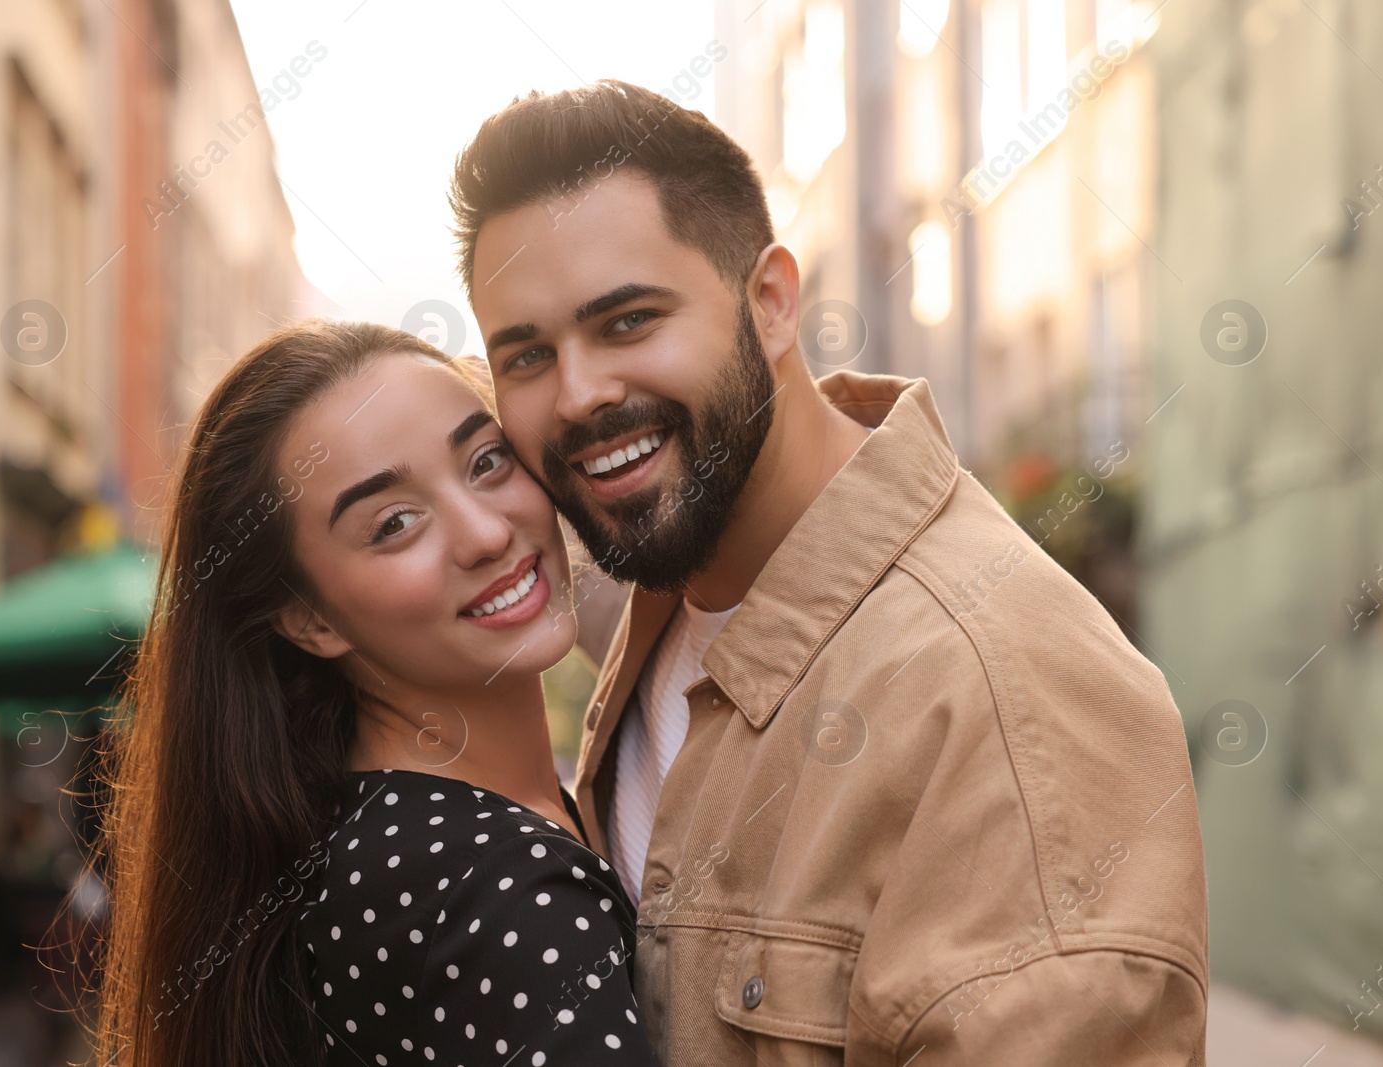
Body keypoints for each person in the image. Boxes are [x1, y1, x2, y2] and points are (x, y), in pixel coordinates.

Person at [452, 80, 1211, 1064]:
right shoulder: (670, 607)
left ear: (768, 302)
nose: (579, 393)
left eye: (628, 320)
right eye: (526, 356)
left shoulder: (1000, 683)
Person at [91, 321, 659, 1067]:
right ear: (309, 617)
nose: (485, 532)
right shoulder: (493, 884)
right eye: (394, 523)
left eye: (487, 461)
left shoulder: (366, 832)